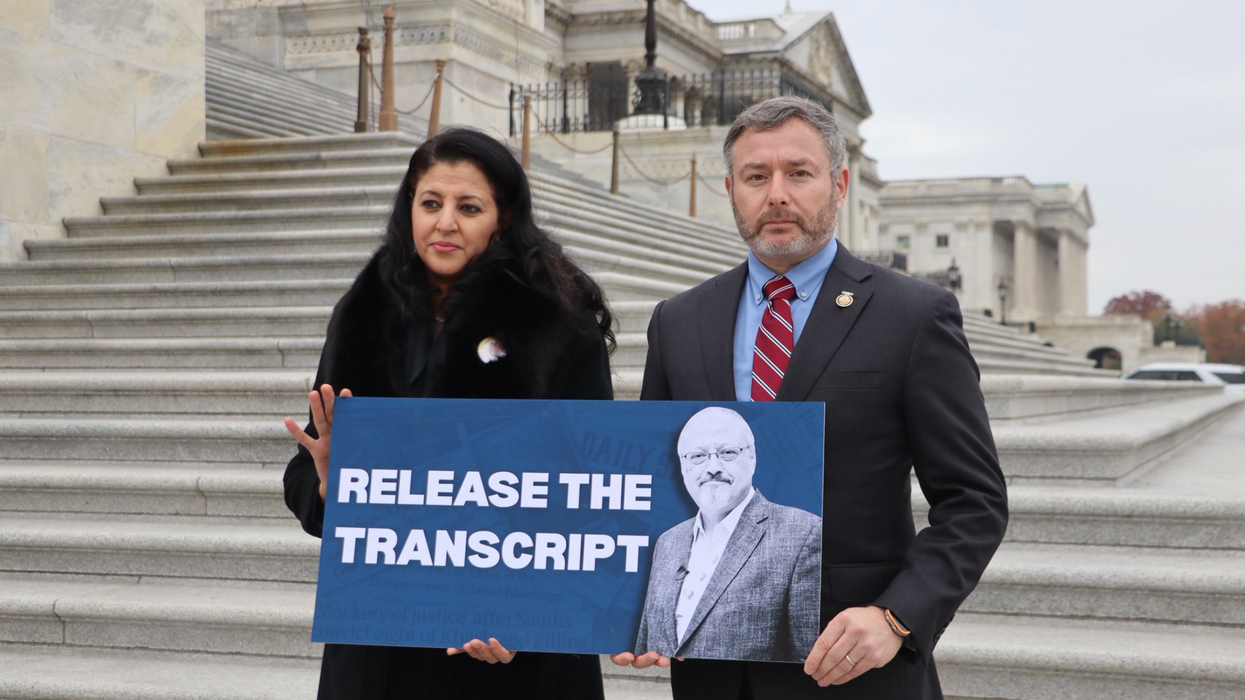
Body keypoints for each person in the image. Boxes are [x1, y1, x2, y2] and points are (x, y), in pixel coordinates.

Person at [612, 96, 1008, 699]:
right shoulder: (679, 320)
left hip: (852, 668)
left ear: (840, 184)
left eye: (798, 173)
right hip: (714, 675)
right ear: (731, 189)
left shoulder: (913, 316)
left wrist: (896, 618)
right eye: (756, 176)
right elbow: (660, 491)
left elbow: (974, 502)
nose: (776, 194)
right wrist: (634, 605)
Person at [283, 126, 614, 700]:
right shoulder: (362, 315)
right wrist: (328, 484)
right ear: (408, 207)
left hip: (511, 648)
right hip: (383, 646)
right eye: (430, 203)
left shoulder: (559, 322)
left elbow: (595, 490)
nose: (445, 223)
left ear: (503, 218)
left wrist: (533, 615)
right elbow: (309, 472)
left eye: (469, 207)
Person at [634, 406, 820, 662]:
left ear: (752, 458)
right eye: (697, 456)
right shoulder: (667, 541)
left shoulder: (802, 532)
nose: (713, 467)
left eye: (727, 453)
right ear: (683, 466)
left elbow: (806, 656)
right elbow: (648, 642)